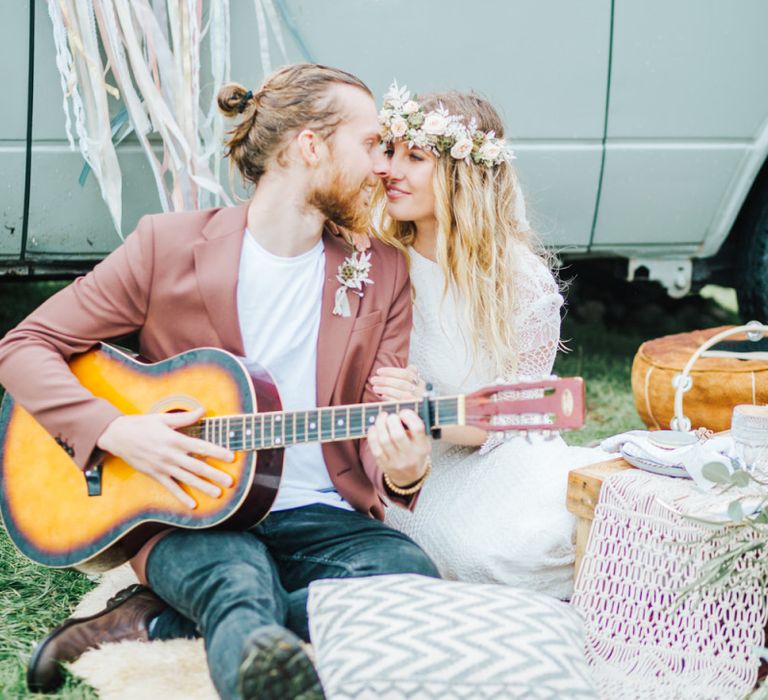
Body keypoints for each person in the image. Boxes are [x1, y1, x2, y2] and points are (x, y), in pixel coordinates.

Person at [0, 65, 439, 700]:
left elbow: (379, 422)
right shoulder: (167, 247)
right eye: (370, 144)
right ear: (309, 147)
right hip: (189, 510)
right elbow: (24, 346)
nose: (382, 165)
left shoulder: (382, 271)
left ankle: (152, 620)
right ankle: (259, 659)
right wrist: (117, 430)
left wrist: (404, 470)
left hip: (319, 512)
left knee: (410, 576)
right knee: (237, 576)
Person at [369, 84, 602, 599]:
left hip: (504, 449)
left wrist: (425, 406)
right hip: (415, 461)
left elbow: (522, 411)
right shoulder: (377, 265)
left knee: (557, 533)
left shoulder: (520, 279)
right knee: (490, 553)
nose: (390, 170)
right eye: (390, 152)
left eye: (415, 157)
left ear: (462, 174)